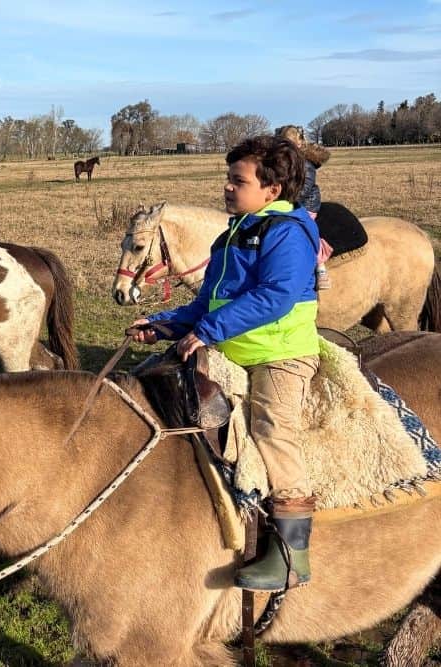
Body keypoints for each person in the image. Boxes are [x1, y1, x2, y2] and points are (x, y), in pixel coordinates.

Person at [129, 135, 321, 592]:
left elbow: (275, 297)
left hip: (281, 354)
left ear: (272, 190)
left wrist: (208, 332)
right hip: (235, 347)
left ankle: (293, 555)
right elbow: (209, 302)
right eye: (228, 179)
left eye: (238, 180)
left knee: (272, 430)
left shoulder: (287, 233)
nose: (227, 188)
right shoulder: (234, 233)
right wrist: (163, 325)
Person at [276, 125, 332, 289]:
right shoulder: (281, 162)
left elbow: (304, 189)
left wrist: (286, 201)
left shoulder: (306, 165)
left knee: (305, 230)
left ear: (300, 144)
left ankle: (320, 268)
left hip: (305, 204)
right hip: (286, 202)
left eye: (291, 145)